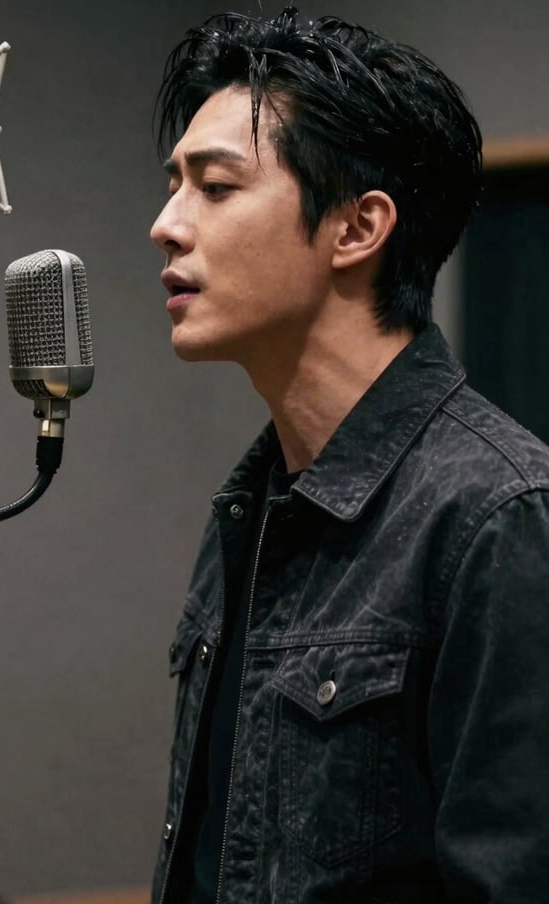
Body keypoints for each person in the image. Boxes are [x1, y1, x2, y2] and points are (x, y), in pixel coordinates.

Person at [148, 6, 549, 903]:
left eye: (214, 187)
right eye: (173, 185)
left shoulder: (499, 516)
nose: (166, 225)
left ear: (357, 229)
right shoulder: (252, 506)